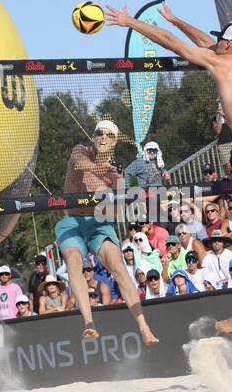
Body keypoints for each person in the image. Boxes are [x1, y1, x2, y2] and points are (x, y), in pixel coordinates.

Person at [105, 2, 232, 334]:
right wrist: (178, 19)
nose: (215, 43)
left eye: (221, 41)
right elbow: (206, 40)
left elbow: (170, 42)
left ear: (228, 45)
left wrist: (131, 22)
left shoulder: (219, 62)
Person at [55, 119, 158, 344]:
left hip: (99, 223)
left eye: (108, 136)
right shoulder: (81, 151)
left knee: (118, 267)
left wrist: (116, 182)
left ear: (113, 142)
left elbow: (115, 212)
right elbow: (82, 165)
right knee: (73, 261)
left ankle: (144, 326)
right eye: (99, 133)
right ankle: (89, 323)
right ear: (93, 136)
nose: (103, 137)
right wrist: (108, 171)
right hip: (72, 221)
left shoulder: (115, 174)